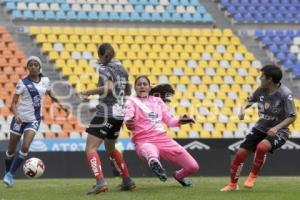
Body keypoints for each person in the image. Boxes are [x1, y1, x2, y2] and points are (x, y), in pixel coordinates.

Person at [220, 65, 297, 192]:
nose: (260, 78)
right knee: (240, 154)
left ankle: (252, 175)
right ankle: (232, 184)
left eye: (262, 76)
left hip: (279, 131)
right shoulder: (261, 89)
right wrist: (242, 110)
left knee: (262, 147)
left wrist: (277, 127)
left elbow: (292, 116)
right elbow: (249, 101)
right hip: (260, 128)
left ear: (270, 79)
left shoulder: (285, 94)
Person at [3, 56, 68, 187]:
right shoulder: (22, 83)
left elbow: (50, 94)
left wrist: (61, 105)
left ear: (39, 67)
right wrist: (16, 115)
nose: (33, 67)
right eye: (30, 65)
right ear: (27, 68)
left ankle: (10, 175)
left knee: (25, 146)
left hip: (34, 120)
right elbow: (13, 103)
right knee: (10, 150)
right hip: (19, 119)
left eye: (35, 65)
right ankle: (7, 171)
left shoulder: (45, 81)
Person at [124, 76, 199, 187]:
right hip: (144, 141)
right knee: (150, 152)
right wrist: (128, 121)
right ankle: (157, 166)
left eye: (145, 84)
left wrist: (181, 121)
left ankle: (179, 175)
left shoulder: (157, 101)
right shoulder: (131, 101)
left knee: (193, 167)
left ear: (149, 88)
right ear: (135, 88)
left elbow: (169, 121)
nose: (142, 86)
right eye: (139, 84)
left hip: (164, 140)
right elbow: (128, 115)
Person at [80, 43, 135, 195]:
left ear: (100, 55)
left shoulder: (104, 68)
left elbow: (108, 87)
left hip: (106, 112)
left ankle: (100, 182)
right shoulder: (122, 68)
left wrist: (88, 92)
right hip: (119, 114)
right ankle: (127, 180)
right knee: (111, 148)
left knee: (90, 148)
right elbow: (129, 90)